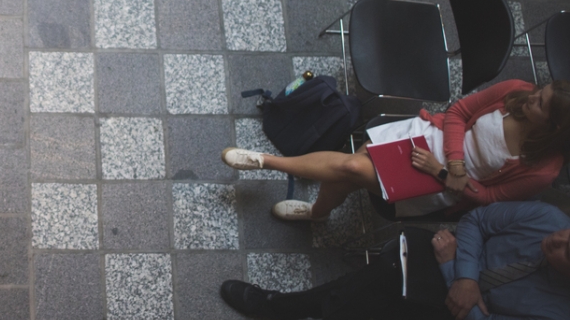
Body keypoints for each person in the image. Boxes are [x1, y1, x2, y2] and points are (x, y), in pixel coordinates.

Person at [220, 201, 570, 320]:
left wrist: (453, 268)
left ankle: (283, 308)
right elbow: (477, 221)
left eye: (567, 252)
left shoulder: (558, 317)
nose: (559, 240)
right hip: (451, 263)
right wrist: (465, 277)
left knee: (382, 286)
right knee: (385, 279)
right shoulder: (551, 219)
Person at [222, 79, 570, 221]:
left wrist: (444, 172)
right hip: (429, 139)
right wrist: (456, 162)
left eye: (540, 104)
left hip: (438, 181)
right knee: (348, 173)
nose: (532, 97)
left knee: (352, 170)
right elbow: (458, 113)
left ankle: (268, 162)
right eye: (542, 91)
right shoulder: (519, 91)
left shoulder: (543, 169)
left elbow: (490, 197)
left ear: (552, 127)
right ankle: (317, 213)